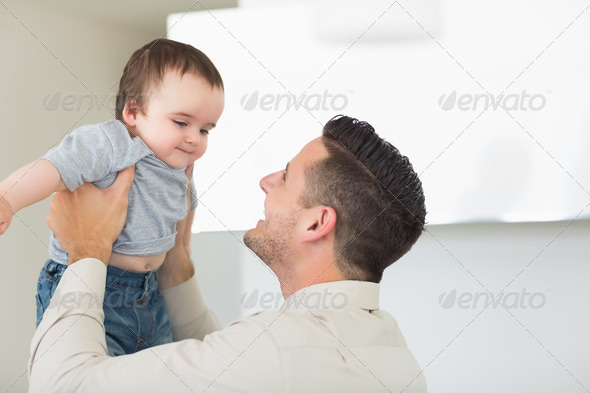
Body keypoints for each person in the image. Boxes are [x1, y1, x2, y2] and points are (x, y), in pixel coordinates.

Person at [29, 115, 428, 392]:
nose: (266, 181)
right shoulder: (393, 352)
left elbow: (63, 386)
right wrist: (175, 263)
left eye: (286, 176)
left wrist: (88, 249)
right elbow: (225, 368)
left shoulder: (279, 351)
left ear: (316, 223)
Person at [0, 39, 225, 355]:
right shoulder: (113, 142)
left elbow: (181, 216)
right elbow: (55, 167)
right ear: (133, 110)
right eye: (181, 122)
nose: (193, 139)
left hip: (149, 293)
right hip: (95, 286)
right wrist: (8, 199)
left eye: (205, 130)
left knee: (155, 372)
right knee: (87, 370)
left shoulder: (181, 168)